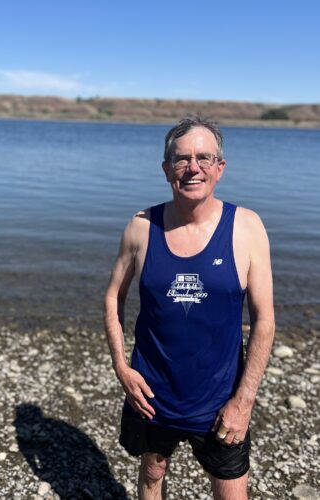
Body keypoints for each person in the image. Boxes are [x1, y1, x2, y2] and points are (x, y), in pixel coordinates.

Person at [104, 116, 275, 500]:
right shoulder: (141, 227)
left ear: (220, 168)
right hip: (151, 394)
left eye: (204, 158)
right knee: (152, 471)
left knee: (230, 489)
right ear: (167, 169)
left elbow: (264, 321)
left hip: (220, 399)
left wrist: (243, 401)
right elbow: (113, 296)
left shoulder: (246, 227)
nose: (193, 168)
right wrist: (121, 367)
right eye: (181, 159)